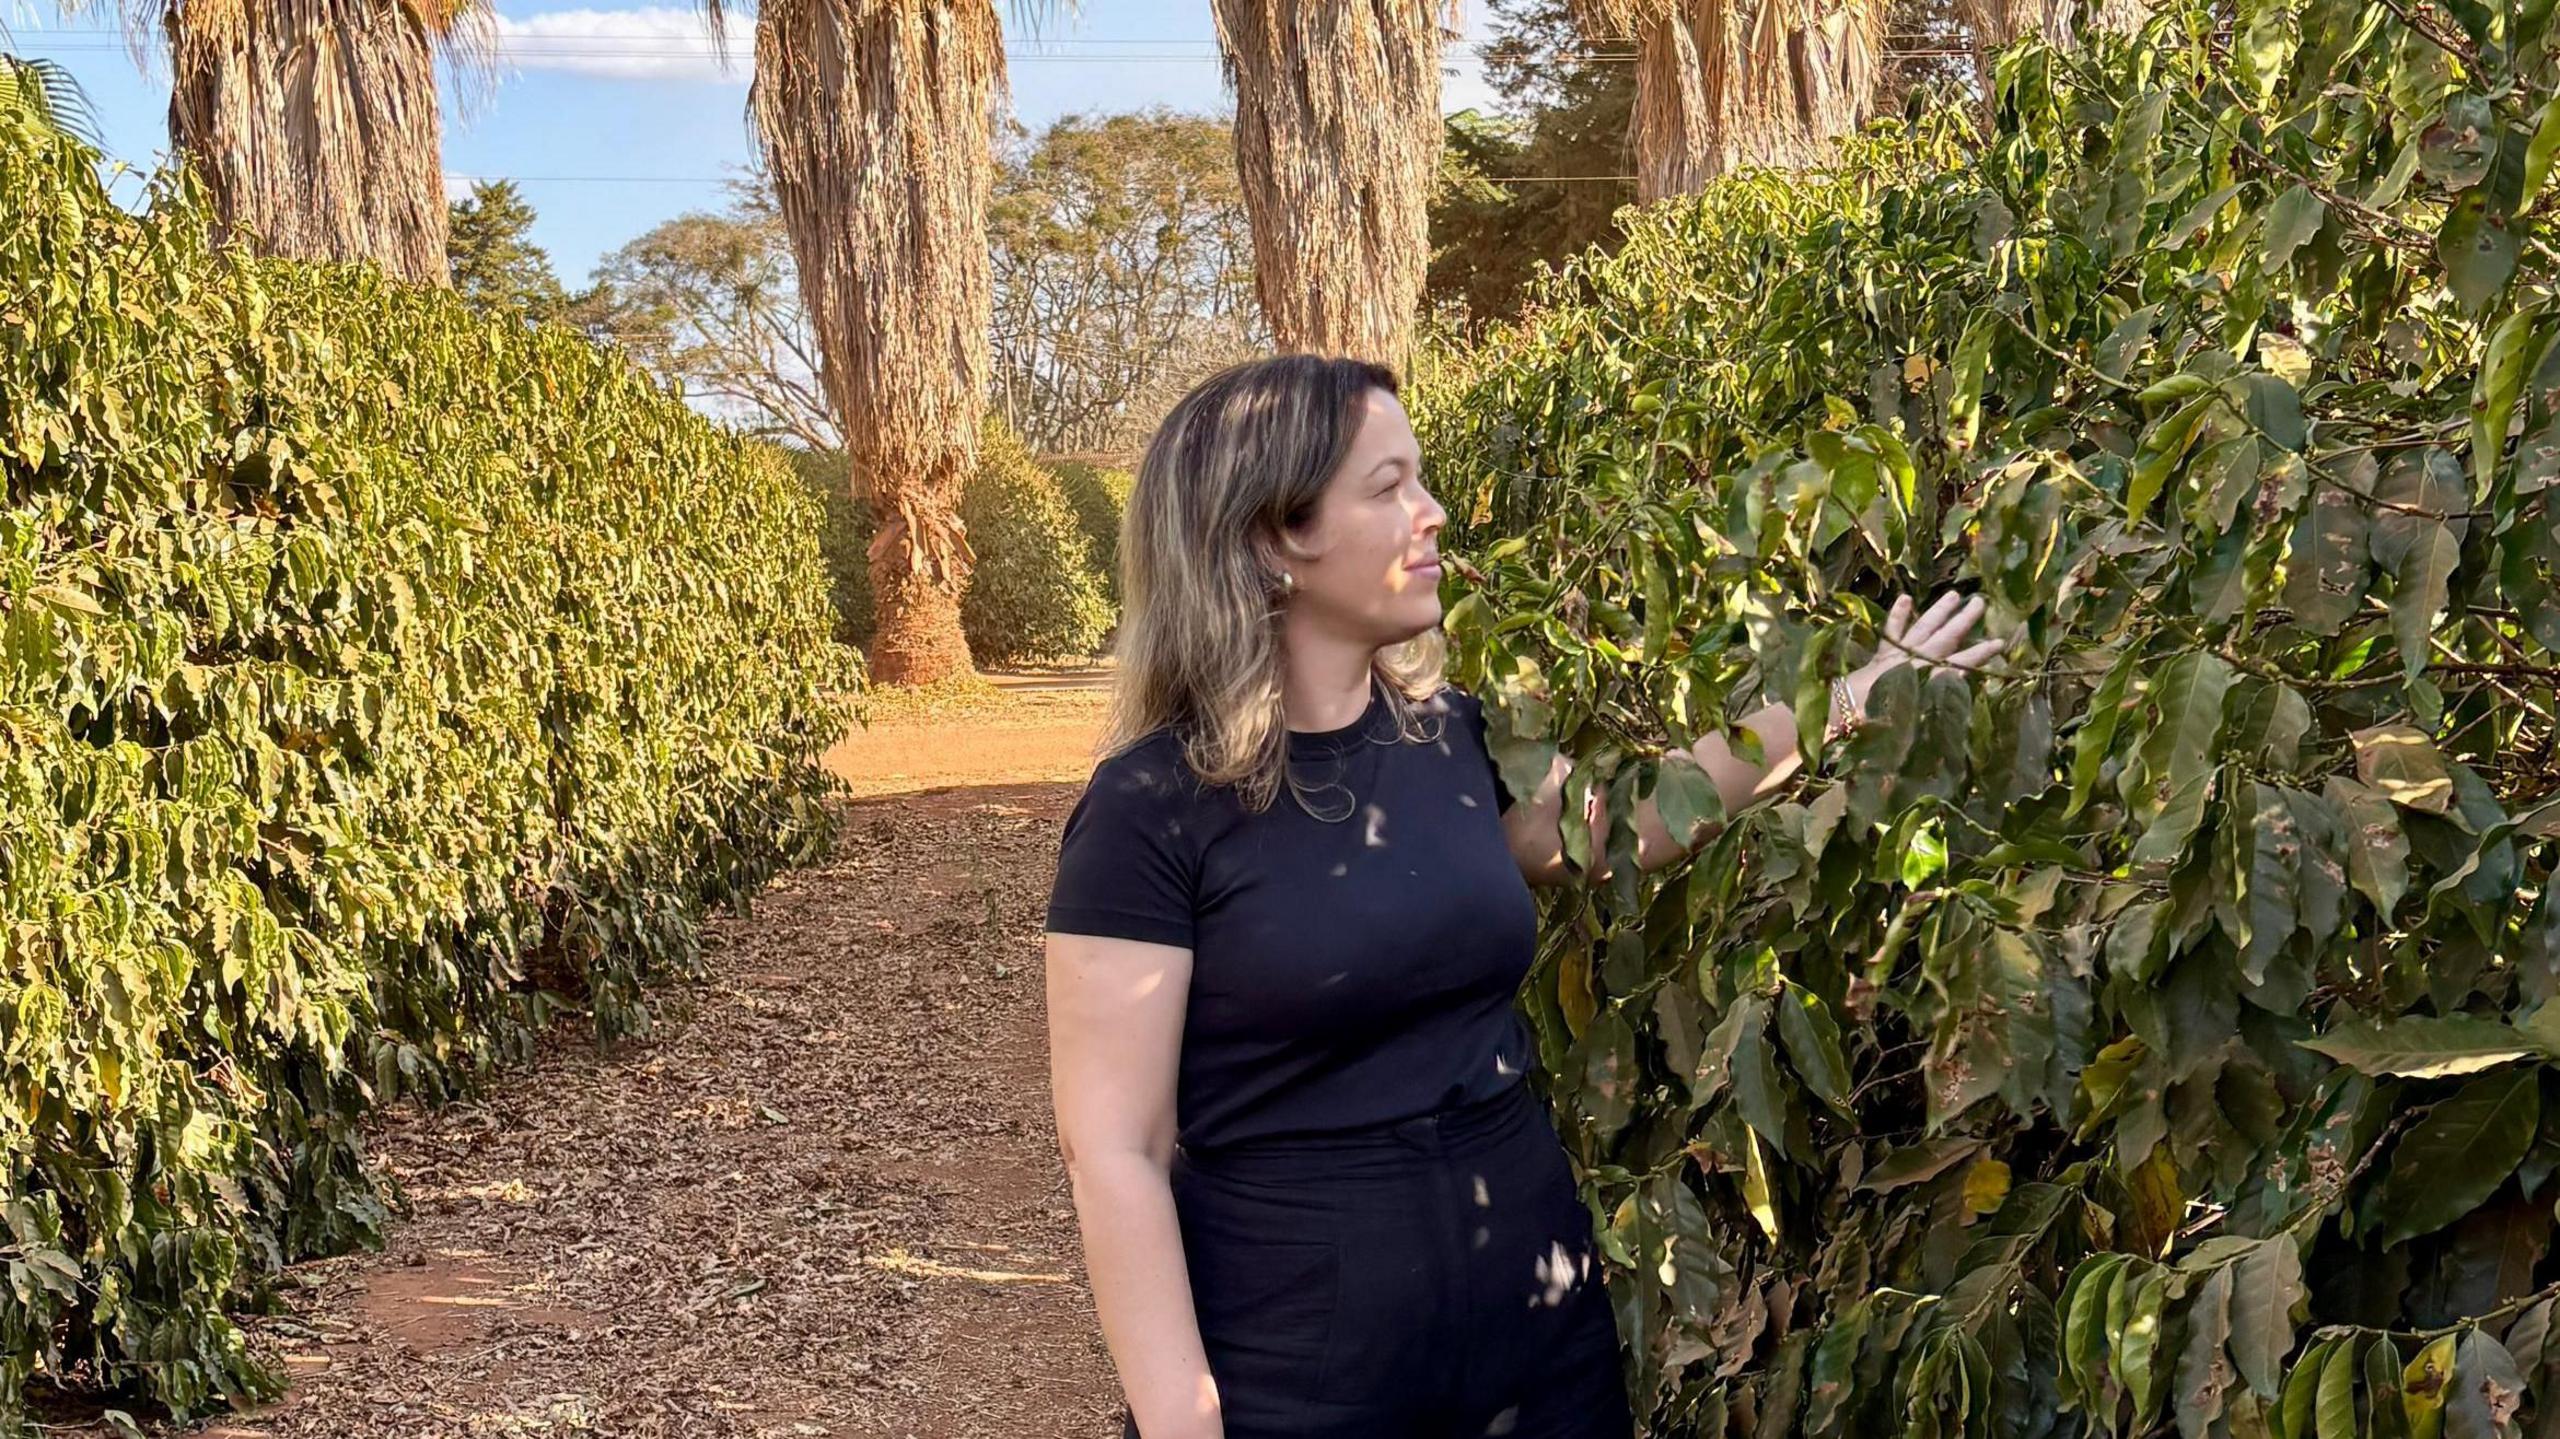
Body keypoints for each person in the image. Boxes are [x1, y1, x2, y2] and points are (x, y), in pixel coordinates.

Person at [1042, 355, 2002, 1439]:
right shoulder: (1152, 808)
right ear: (1273, 538)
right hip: (1298, 1368)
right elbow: (1113, 1150)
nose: (1433, 511)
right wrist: (1182, 1414)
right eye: (1389, 484)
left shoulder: (1451, 733)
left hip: (1536, 1337)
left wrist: (1847, 700)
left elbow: (1615, 829)